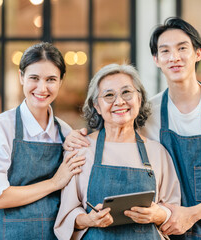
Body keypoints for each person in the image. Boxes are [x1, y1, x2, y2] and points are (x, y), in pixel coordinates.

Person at [63, 17, 201, 239]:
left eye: (182, 48)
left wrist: (191, 214)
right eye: (165, 51)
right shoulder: (147, 112)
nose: (174, 57)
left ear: (198, 53)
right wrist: (76, 136)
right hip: (164, 231)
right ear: (156, 59)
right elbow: (119, 143)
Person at [54, 63, 181, 240]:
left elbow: (172, 210)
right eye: (109, 95)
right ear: (96, 106)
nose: (119, 101)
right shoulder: (81, 150)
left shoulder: (157, 152)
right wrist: (89, 220)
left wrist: (158, 214)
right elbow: (67, 214)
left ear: (140, 99)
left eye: (126, 92)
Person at [0, 42, 85, 240]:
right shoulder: (1, 128)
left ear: (61, 81)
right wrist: (54, 183)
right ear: (21, 77)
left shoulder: (65, 132)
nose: (42, 88)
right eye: (34, 78)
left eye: (51, 79)